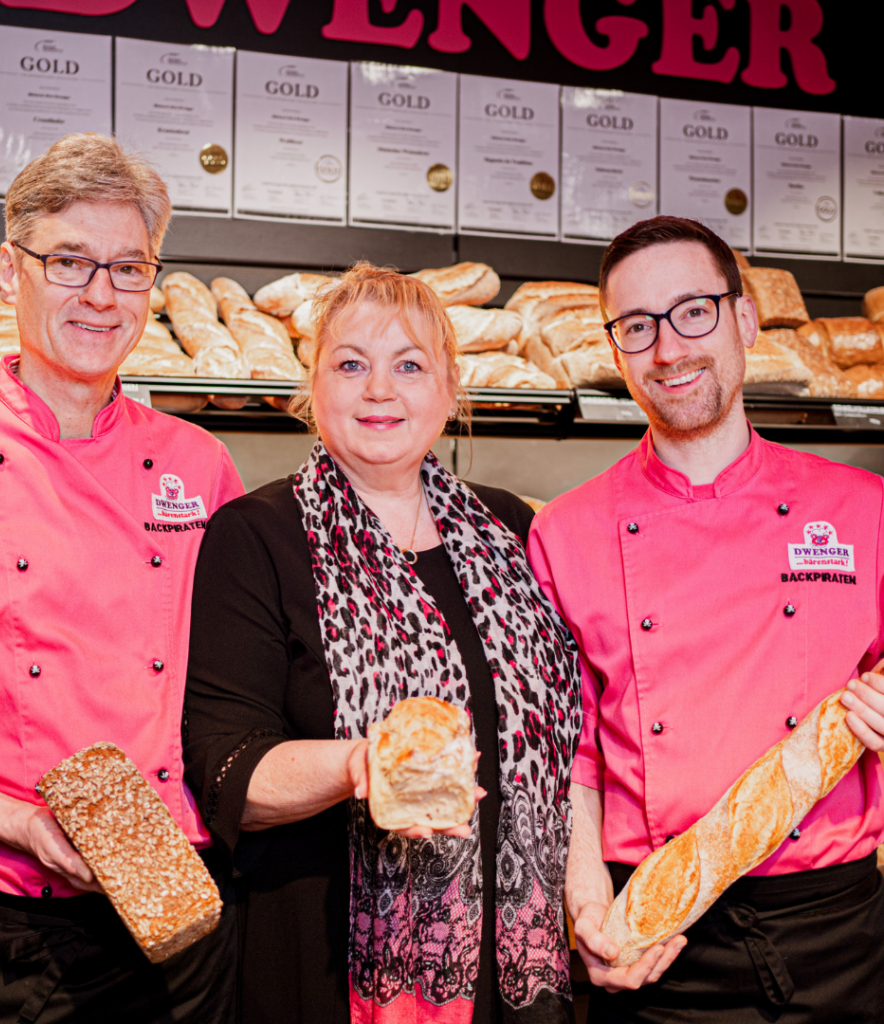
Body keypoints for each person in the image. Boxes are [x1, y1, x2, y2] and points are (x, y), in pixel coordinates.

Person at [0, 133, 244, 1023]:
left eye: (129, 266)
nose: (102, 295)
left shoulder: (201, 464)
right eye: (70, 261)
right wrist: (24, 823)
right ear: (9, 272)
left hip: (184, 926)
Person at [183, 263, 581, 1024]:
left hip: (522, 968)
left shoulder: (514, 529)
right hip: (330, 966)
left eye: (409, 365)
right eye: (351, 364)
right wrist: (366, 765)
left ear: (449, 391)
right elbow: (224, 764)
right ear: (313, 387)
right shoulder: (258, 535)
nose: (379, 390)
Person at [528, 215, 884, 1022]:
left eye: (694, 312)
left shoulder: (863, 510)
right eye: (637, 327)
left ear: (746, 318)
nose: (668, 350)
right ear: (615, 349)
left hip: (836, 929)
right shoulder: (566, 530)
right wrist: (589, 911)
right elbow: (568, 755)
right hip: (658, 934)